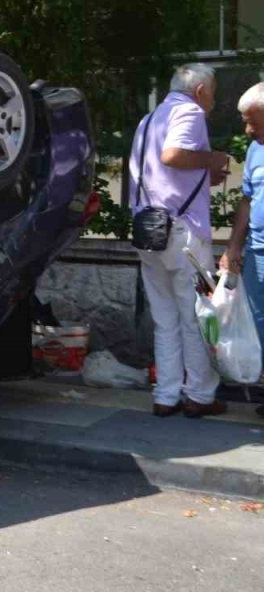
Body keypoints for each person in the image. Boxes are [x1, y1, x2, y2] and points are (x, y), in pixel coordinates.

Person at [129, 63, 231, 418]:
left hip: (148, 232)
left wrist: (203, 173)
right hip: (184, 235)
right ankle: (199, 396)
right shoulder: (190, 111)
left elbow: (159, 172)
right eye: (214, 91)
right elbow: (172, 155)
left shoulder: (148, 120)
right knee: (197, 316)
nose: (214, 99)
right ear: (201, 90)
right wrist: (213, 158)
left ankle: (166, 395)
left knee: (165, 318)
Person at [219, 82, 264, 415]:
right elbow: (247, 200)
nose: (247, 129)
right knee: (260, 323)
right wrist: (234, 246)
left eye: (253, 120)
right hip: (258, 251)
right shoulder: (254, 150)